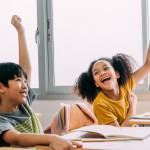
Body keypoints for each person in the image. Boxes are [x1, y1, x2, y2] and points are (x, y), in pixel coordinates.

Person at [0, 15, 82, 149]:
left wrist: (21, 31)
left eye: (25, 81)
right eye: (18, 80)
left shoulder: (23, 105)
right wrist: (52, 138)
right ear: (1, 87)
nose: (25, 85)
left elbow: (27, 68)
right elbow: (17, 138)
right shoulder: (2, 119)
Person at [73, 48, 150, 127]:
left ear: (117, 74)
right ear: (96, 83)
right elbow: (118, 133)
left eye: (106, 68)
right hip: (121, 138)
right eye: (96, 73)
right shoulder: (99, 104)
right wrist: (133, 105)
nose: (102, 73)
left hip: (136, 134)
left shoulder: (125, 86)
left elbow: (148, 64)